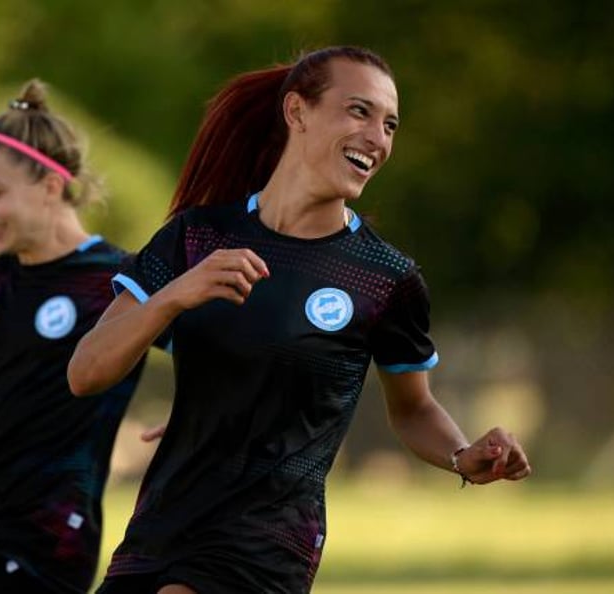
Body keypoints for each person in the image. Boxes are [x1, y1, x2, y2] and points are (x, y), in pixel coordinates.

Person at [67, 46, 532, 594]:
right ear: (297, 112)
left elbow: (415, 407)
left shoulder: (385, 277)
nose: (378, 138)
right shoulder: (196, 237)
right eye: (359, 111)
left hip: (269, 541)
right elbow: (85, 373)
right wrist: (174, 295)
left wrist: (461, 455)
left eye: (390, 125)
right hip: (159, 529)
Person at [0, 79, 159, 594]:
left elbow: (213, 353)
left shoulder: (117, 279)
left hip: (49, 535)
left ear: (49, 185)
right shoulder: (1, 277)